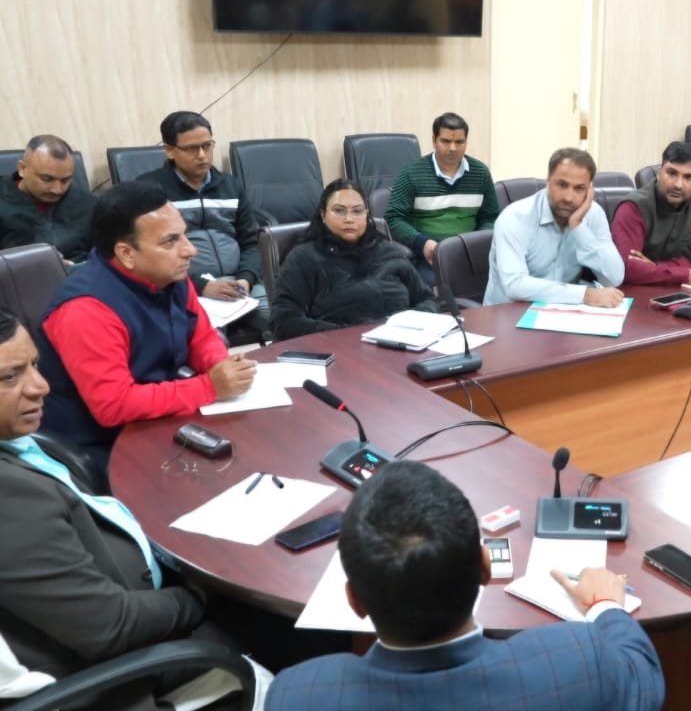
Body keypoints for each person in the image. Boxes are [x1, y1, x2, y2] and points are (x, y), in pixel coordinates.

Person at [264, 460, 670, 711]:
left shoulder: (294, 708)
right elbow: (641, 670)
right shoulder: (581, 669)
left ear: (355, 601)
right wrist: (604, 605)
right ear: (485, 567)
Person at [0, 299, 207, 707]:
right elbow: (112, 627)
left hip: (106, 600)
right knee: (279, 629)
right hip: (118, 674)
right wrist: (205, 593)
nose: (41, 386)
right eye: (9, 377)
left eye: (34, 365)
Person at [37, 181, 255, 475]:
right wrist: (209, 386)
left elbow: (201, 336)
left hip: (157, 417)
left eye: (185, 235)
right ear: (127, 253)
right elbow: (113, 406)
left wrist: (220, 365)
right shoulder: (85, 309)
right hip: (99, 443)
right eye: (170, 241)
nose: (190, 250)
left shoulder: (170, 276)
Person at [134, 111, 269, 339]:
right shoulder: (150, 190)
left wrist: (245, 279)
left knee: (282, 320)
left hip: (239, 284)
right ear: (169, 150)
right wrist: (201, 286)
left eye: (207, 146)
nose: (202, 155)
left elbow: (250, 242)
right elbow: (149, 254)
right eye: (191, 148)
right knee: (211, 340)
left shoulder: (230, 185)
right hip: (186, 288)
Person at [270, 179, 437, 340]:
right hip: (341, 348)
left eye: (357, 211)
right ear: (323, 215)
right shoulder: (304, 258)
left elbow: (426, 299)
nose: (349, 219)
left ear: (366, 214)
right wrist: (349, 335)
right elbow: (284, 320)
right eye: (339, 210)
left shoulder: (388, 250)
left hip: (403, 343)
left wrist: (407, 325)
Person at [484, 148, 625, 307]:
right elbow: (514, 285)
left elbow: (614, 278)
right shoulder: (515, 218)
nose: (568, 197)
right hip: (508, 313)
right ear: (548, 180)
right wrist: (583, 295)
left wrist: (578, 226)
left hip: (561, 311)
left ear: (590, 189)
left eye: (579, 188)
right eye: (562, 185)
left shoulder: (593, 214)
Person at [385, 112, 501, 286]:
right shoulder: (412, 173)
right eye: (446, 141)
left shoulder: (480, 173)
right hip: (429, 255)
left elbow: (491, 217)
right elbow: (393, 218)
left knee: (498, 285)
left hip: (470, 254)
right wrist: (423, 243)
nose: (453, 148)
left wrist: (476, 242)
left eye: (459, 142)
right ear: (434, 141)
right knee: (436, 291)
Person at [0, 134, 98, 263]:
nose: (57, 189)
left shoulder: (86, 202)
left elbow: (106, 249)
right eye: (47, 179)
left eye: (65, 180)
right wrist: (32, 267)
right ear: (22, 169)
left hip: (82, 280)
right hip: (17, 281)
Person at [610, 141, 691, 286]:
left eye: (688, 177)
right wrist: (686, 275)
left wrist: (655, 268)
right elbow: (627, 268)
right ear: (659, 173)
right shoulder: (632, 207)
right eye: (672, 173)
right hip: (638, 291)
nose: (678, 184)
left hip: (683, 291)